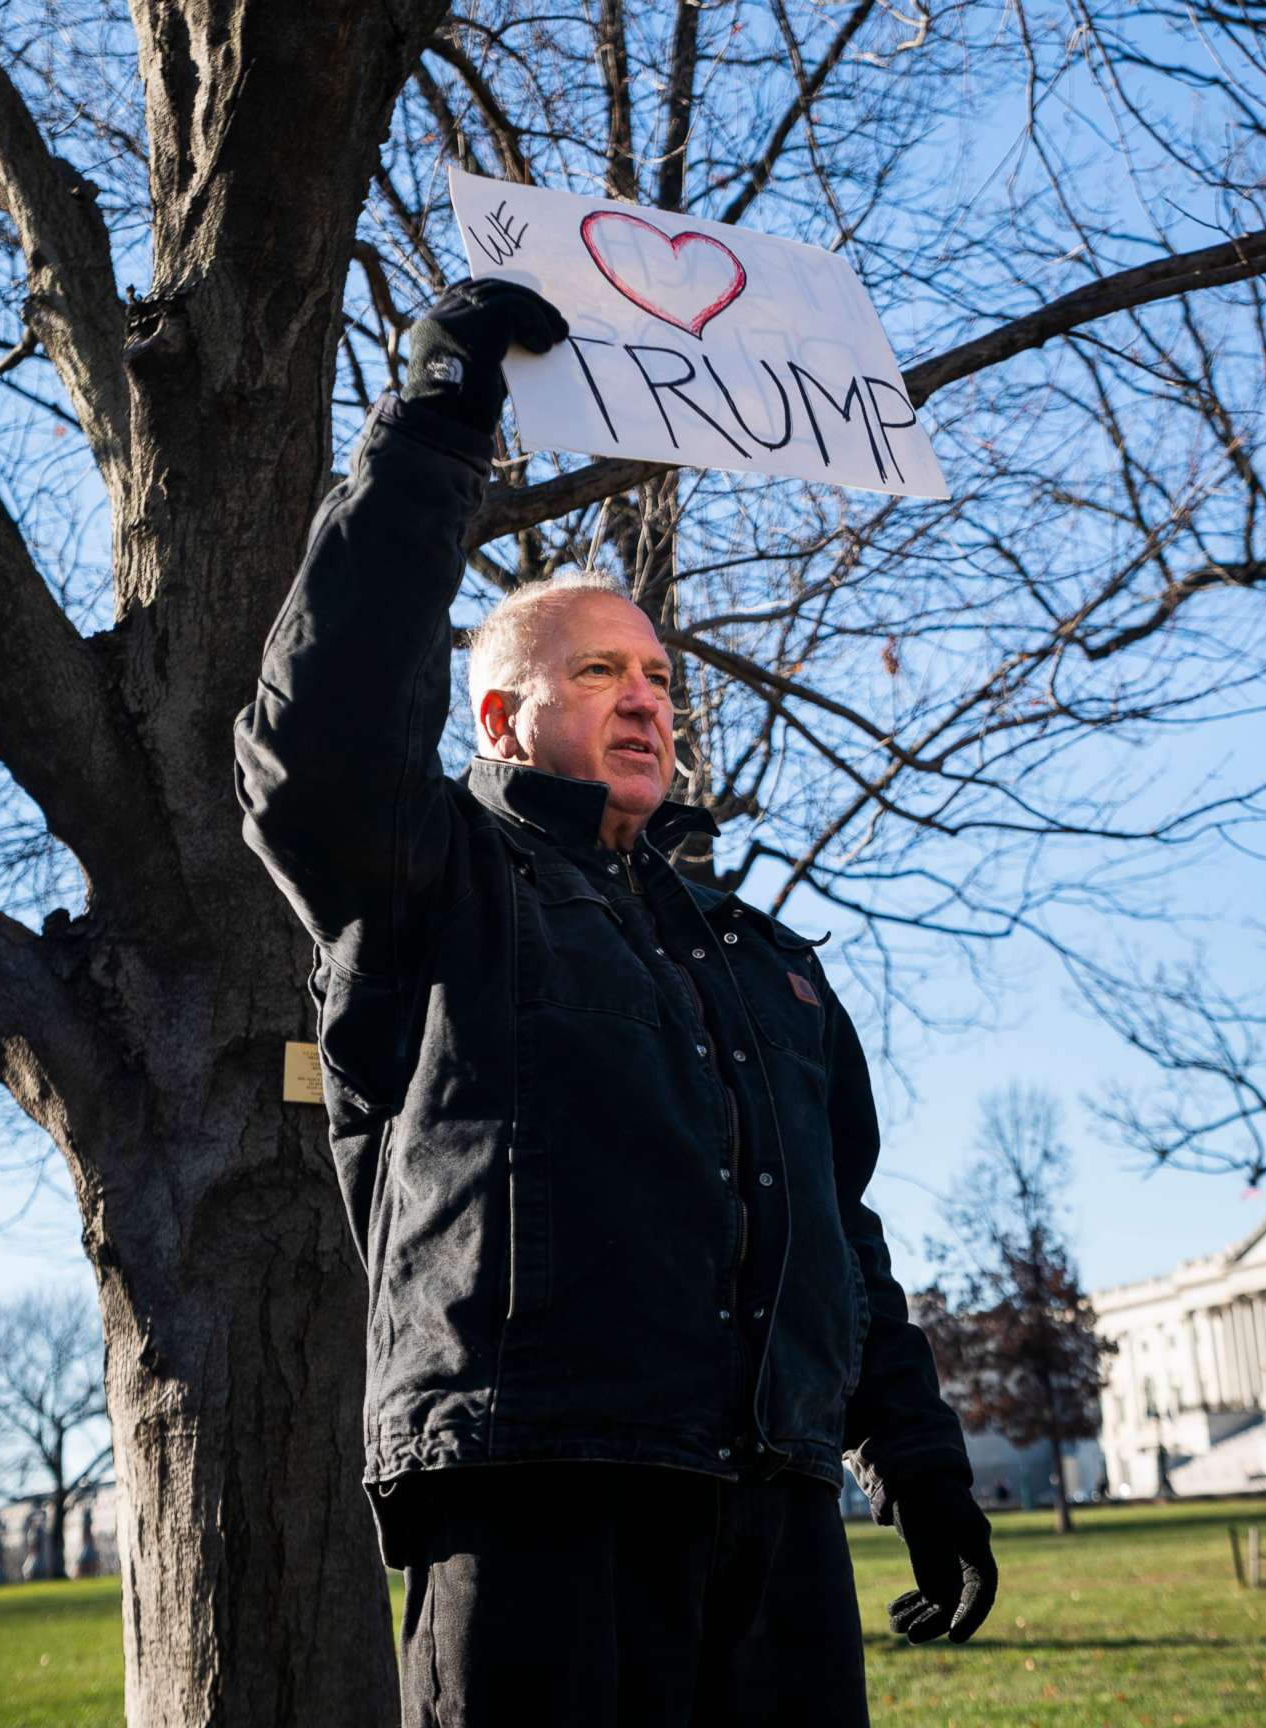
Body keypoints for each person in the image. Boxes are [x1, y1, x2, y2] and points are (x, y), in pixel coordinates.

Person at [235, 279, 995, 1727]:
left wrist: (915, 1450)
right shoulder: (437, 886)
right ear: (503, 718)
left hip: (772, 1520)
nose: (650, 698)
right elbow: (315, 745)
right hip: (537, 1499)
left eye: (657, 674)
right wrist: (439, 419)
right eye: (600, 671)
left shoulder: (763, 955)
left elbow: (837, 1227)